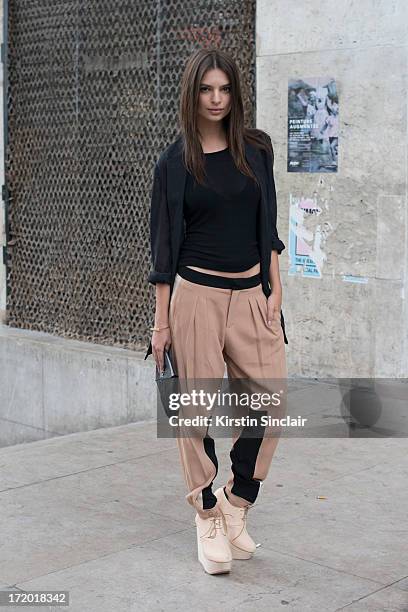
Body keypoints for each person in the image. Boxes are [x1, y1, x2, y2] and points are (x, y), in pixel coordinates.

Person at [145, 48, 288, 575]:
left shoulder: (257, 150)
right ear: (192, 94)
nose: (216, 99)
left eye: (224, 90)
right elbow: (163, 251)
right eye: (206, 90)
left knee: (271, 404)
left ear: (236, 95)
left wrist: (276, 292)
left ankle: (236, 500)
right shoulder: (174, 163)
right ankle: (205, 512)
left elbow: (269, 227)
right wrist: (161, 324)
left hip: (252, 295)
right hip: (195, 297)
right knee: (194, 411)